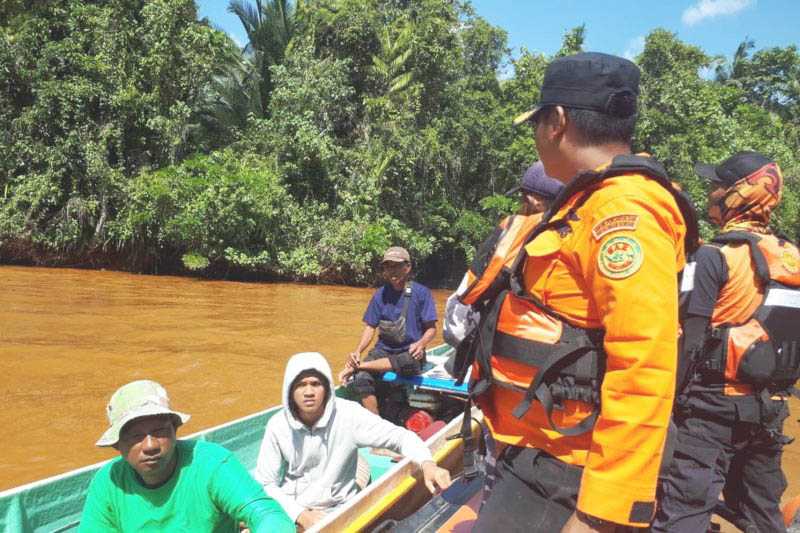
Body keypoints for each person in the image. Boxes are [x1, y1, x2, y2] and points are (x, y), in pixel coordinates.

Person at [468, 52, 698, 532]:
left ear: (557, 122)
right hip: (541, 454)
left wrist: (600, 514)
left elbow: (645, 363)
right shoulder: (587, 201)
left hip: (571, 471)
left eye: (536, 123)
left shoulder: (624, 214)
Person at [653, 152, 799, 532]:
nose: (710, 193)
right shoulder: (791, 257)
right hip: (769, 409)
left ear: (735, 194)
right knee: (761, 512)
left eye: (716, 186)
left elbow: (690, 337)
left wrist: (666, 402)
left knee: (682, 511)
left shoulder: (712, 256)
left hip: (709, 409)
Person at [255, 352, 452, 530]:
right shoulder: (277, 425)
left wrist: (428, 464)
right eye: (300, 385)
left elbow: (400, 437)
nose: (308, 392)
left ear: (326, 388)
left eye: (315, 384)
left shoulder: (348, 415)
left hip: (337, 509)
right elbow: (266, 483)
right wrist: (300, 514)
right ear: (290, 390)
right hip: (292, 506)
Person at [78, 380, 294, 532]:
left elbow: (268, 515)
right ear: (117, 445)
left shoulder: (211, 463)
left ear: (175, 431)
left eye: (161, 432)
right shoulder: (109, 482)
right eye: (136, 436)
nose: (151, 445)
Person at [444, 161, 563, 350]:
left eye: (522, 198)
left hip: (518, 345)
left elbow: (473, 289)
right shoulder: (581, 224)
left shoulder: (518, 227)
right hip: (564, 347)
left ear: (534, 201)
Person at [339, 246, 437, 418]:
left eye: (397, 266)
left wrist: (421, 343)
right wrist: (357, 351)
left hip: (410, 353)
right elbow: (370, 327)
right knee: (361, 378)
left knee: (407, 360)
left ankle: (360, 366)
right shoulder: (380, 295)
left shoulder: (422, 293)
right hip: (384, 350)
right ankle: (377, 423)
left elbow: (431, 329)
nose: (393, 271)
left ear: (407, 267)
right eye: (388, 266)